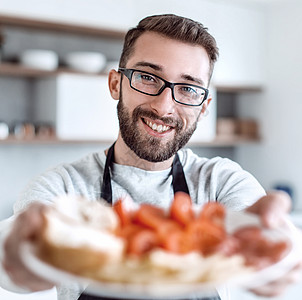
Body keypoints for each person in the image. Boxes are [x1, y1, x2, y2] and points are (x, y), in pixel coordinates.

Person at [0, 14, 301, 300]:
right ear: (115, 84)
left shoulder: (220, 182)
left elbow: (268, 234)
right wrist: (17, 259)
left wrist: (282, 246)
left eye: (187, 88)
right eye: (147, 77)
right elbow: (13, 250)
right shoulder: (64, 189)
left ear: (204, 106)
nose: (164, 107)